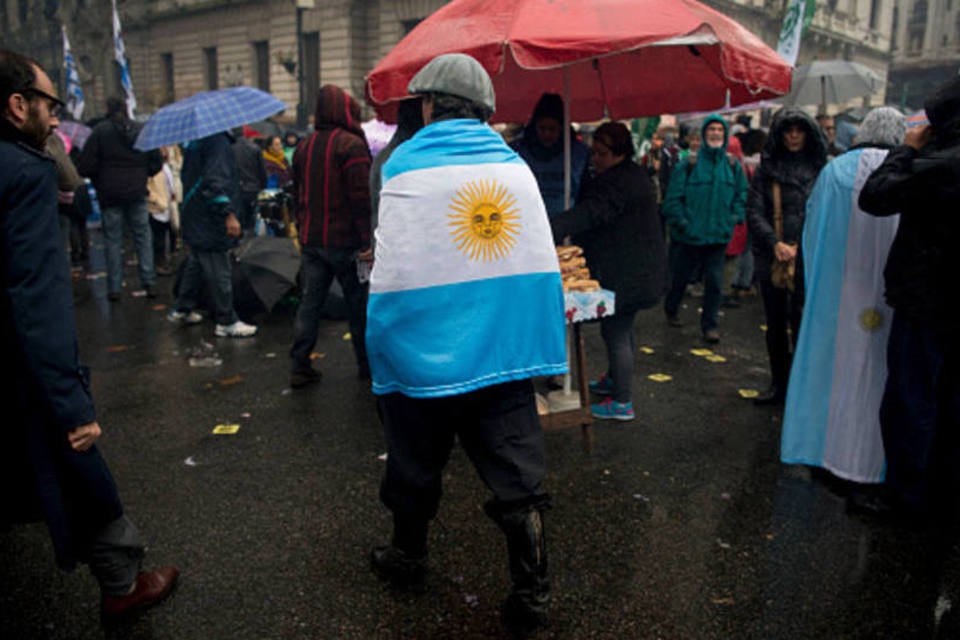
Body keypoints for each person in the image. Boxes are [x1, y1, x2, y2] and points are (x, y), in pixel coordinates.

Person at [367, 53, 566, 633]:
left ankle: (408, 558)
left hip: (419, 353)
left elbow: (399, 254)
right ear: (483, 110)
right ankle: (533, 594)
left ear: (428, 104)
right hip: (500, 356)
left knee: (412, 467)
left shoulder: (399, 165)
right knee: (518, 477)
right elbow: (532, 260)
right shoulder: (516, 168)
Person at [0, 48, 178, 622]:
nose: (57, 117)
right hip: (27, 369)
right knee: (80, 465)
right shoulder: (25, 174)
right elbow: (38, 297)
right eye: (50, 105)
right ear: (16, 103)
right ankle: (122, 583)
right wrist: (74, 403)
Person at [780, 107, 907, 487]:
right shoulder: (907, 172)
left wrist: (808, 287)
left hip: (835, 293)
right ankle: (875, 461)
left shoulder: (835, 172)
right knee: (877, 376)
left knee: (830, 370)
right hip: (889, 295)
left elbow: (812, 231)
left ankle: (821, 449)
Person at [856, 77, 960, 521]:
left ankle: (906, 495)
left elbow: (875, 195)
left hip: (927, 298)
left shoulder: (940, 163)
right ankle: (939, 489)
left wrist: (908, 148)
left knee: (911, 396)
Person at [551, 121, 667, 421]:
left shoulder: (617, 183)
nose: (595, 159)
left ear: (619, 153)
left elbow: (592, 213)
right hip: (638, 271)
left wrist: (552, 227)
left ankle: (622, 402)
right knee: (621, 330)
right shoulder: (632, 175)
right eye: (594, 152)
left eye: (602, 154)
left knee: (616, 332)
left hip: (627, 274)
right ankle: (615, 379)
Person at [289, 85, 372, 387]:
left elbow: (295, 193)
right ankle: (366, 365)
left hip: (313, 240)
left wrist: (302, 227)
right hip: (346, 242)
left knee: (310, 304)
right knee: (357, 304)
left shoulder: (304, 146)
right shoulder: (351, 146)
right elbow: (361, 199)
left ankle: (300, 364)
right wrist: (368, 242)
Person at [746, 108, 827, 405]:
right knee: (776, 324)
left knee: (804, 322)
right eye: (788, 130)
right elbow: (753, 211)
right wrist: (774, 242)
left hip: (808, 257)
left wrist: (802, 243)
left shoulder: (821, 169)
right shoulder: (767, 170)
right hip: (774, 258)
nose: (793, 136)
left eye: (799, 130)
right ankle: (779, 383)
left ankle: (802, 387)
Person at [662, 115, 748, 343]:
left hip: (718, 236)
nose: (716, 133)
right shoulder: (687, 164)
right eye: (712, 129)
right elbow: (672, 200)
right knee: (681, 278)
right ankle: (671, 307)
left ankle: (710, 325)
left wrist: (734, 217)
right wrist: (684, 223)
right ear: (703, 134)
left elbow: (742, 194)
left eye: (720, 129)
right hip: (690, 236)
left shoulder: (731, 165)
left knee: (715, 283)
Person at [168, 129, 257, 337]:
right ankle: (226, 320)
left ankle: (183, 307)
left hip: (195, 213)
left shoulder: (196, 142)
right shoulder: (218, 142)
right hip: (209, 218)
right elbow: (214, 182)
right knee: (219, 267)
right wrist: (228, 214)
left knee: (197, 261)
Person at [77, 96, 162, 301]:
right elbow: (156, 162)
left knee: (112, 241)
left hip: (110, 194)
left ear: (108, 108)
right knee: (142, 236)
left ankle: (114, 287)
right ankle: (148, 281)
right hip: (137, 191)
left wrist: (100, 179)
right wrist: (142, 174)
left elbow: (85, 165)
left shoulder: (100, 132)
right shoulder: (141, 130)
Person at [510, 93, 590, 217]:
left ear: (562, 128)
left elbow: (585, 193)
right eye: (542, 128)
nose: (547, 134)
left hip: (568, 224)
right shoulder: (516, 152)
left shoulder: (579, 153)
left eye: (552, 129)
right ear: (534, 127)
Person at [146, 147, 178, 276]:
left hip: (167, 206)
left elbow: (170, 184)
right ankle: (159, 264)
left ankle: (165, 261)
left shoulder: (166, 167)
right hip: (157, 208)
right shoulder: (151, 169)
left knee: (169, 233)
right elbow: (147, 189)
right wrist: (155, 200)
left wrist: (173, 193)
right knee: (158, 237)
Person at [232, 130, 267, 232]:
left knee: (239, 218)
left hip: (237, 188)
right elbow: (262, 171)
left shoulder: (229, 148)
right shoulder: (255, 148)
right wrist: (263, 186)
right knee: (251, 219)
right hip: (253, 188)